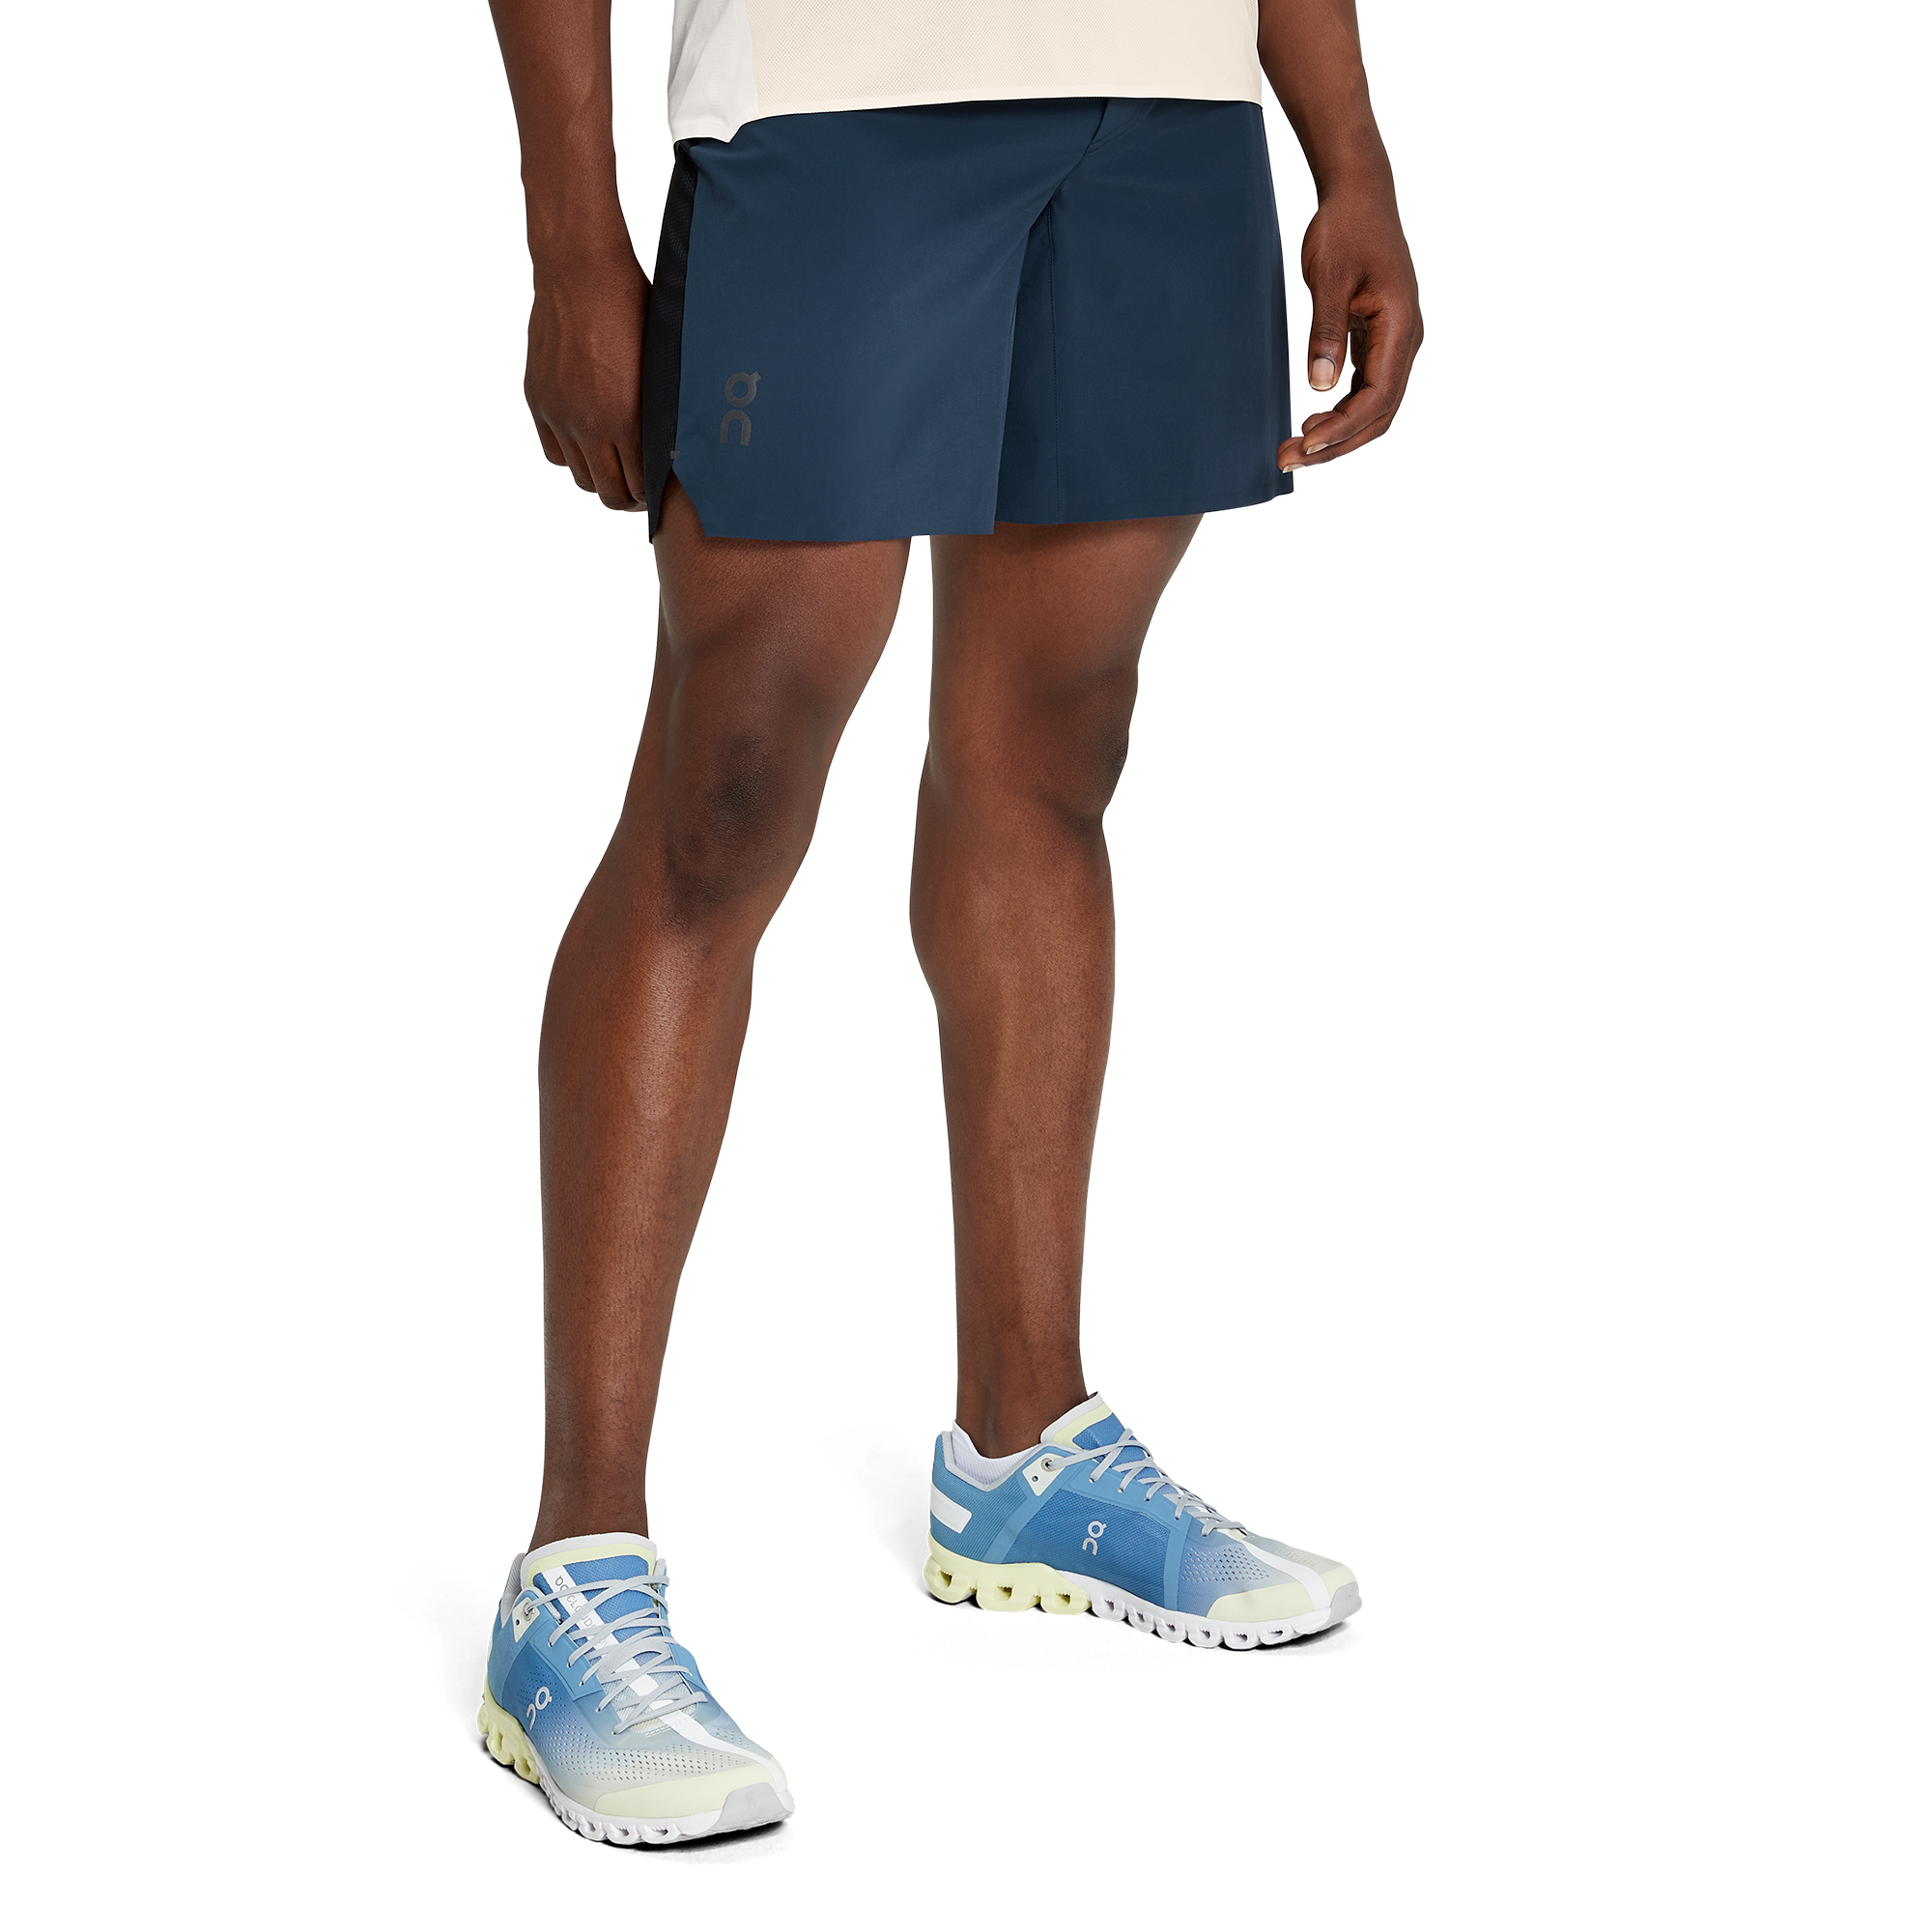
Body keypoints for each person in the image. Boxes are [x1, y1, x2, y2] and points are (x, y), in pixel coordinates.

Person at [473, 0, 1421, 1844]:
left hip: (1163, 108)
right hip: (836, 109)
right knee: (726, 798)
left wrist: (1352, 155)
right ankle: (575, 1571)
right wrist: (572, 237)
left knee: (1050, 761)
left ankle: (1023, 1448)